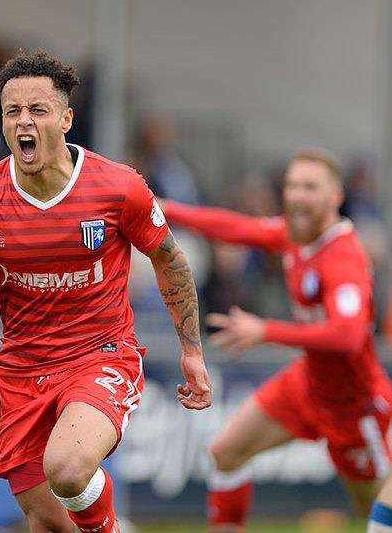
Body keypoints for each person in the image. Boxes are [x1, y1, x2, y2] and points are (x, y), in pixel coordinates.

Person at [0, 50, 212, 533]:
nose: (24, 122)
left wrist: (191, 350)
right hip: (23, 371)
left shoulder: (118, 187)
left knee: (66, 467)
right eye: (12, 112)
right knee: (50, 523)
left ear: (65, 119)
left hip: (100, 356)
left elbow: (170, 259)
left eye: (37, 111)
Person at [161, 149, 392, 532]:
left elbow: (348, 336)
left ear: (335, 196)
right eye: (292, 185)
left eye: (310, 187)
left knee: (372, 513)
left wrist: (265, 331)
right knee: (225, 452)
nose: (297, 195)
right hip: (306, 385)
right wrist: (166, 209)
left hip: (355, 406)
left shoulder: (343, 257)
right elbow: (235, 228)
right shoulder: (295, 235)